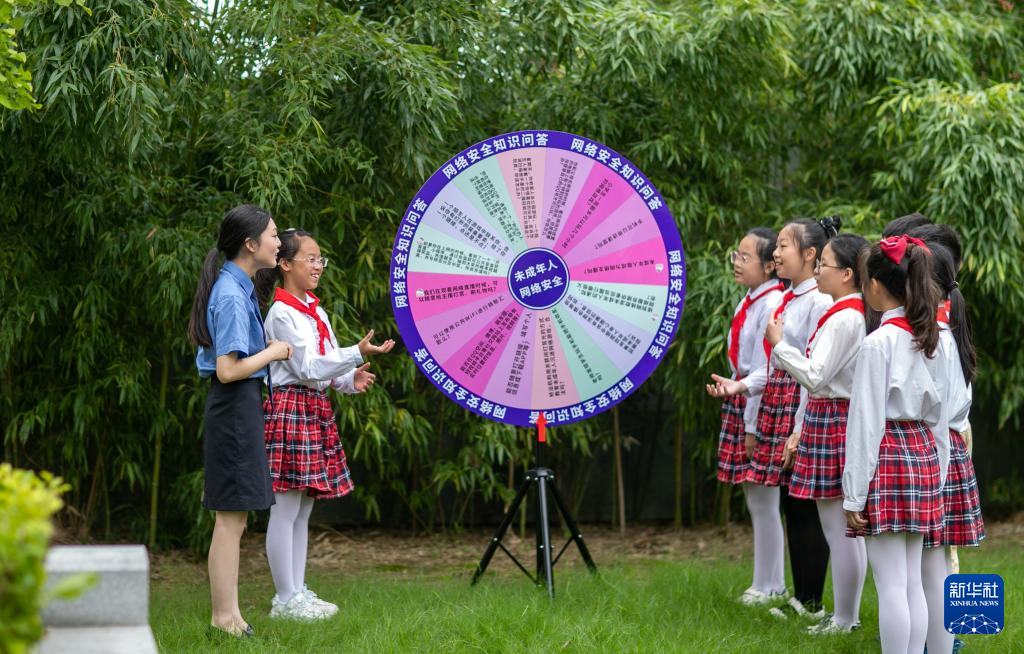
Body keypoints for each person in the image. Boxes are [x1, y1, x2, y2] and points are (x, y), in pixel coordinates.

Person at [255, 228, 395, 620]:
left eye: (321, 260)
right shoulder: (282, 313)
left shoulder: (315, 310)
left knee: (302, 510)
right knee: (285, 508)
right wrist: (354, 353)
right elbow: (307, 367)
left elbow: (326, 371)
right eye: (311, 259)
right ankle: (285, 599)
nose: (318, 266)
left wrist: (351, 378)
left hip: (313, 407)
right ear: (286, 264)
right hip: (291, 409)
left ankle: (297, 591)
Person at [710, 217, 836, 619]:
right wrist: (740, 386)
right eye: (777, 246)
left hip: (796, 403)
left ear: (810, 254)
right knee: (791, 504)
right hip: (777, 399)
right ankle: (800, 597)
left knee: (803, 506)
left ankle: (811, 600)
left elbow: (808, 369)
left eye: (783, 246)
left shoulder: (816, 302)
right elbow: (773, 363)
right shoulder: (789, 298)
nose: (778, 254)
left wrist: (789, 424)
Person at [188, 204, 292, 638]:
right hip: (233, 407)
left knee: (235, 519)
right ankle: (222, 618)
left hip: (239, 408)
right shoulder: (231, 294)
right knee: (230, 521)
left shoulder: (238, 286)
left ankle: (231, 616)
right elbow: (228, 369)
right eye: (273, 235)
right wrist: (273, 351)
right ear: (250, 244)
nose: (279, 242)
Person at [843, 234, 945, 654]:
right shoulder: (932, 338)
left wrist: (853, 495)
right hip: (922, 453)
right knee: (912, 582)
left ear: (874, 285)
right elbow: (939, 417)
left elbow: (865, 423)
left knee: (890, 584)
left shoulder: (877, 343)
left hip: (887, 453)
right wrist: (938, 476)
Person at [767, 233, 869, 634]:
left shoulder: (845, 317)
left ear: (847, 274)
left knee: (839, 529)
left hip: (833, 417)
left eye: (825, 263)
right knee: (843, 528)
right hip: (829, 415)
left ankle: (845, 618)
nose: (819, 269)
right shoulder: (849, 312)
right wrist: (798, 428)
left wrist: (779, 345)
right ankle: (846, 616)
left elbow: (815, 375)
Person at [706, 227, 785, 604]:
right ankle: (766, 583)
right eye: (736, 255)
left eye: (745, 257)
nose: (737, 263)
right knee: (757, 500)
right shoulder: (750, 301)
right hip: (742, 398)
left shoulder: (771, 304)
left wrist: (752, 427)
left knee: (764, 500)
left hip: (758, 402)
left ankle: (770, 585)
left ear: (769, 266)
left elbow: (763, 368)